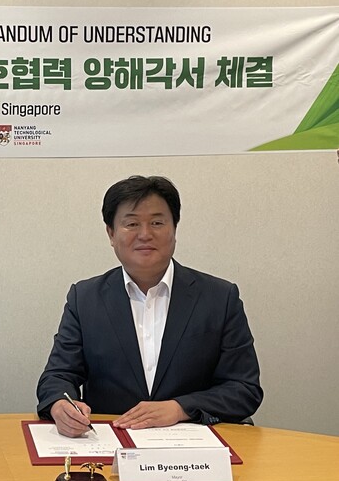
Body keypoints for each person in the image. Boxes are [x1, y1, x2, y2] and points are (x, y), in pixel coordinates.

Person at [36, 175, 262, 437]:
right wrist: (60, 405)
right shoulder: (85, 298)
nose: (145, 234)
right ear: (111, 233)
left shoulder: (219, 297)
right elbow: (58, 376)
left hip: (193, 445)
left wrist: (180, 408)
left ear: (174, 229)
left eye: (157, 222)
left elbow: (244, 388)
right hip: (113, 442)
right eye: (132, 223)